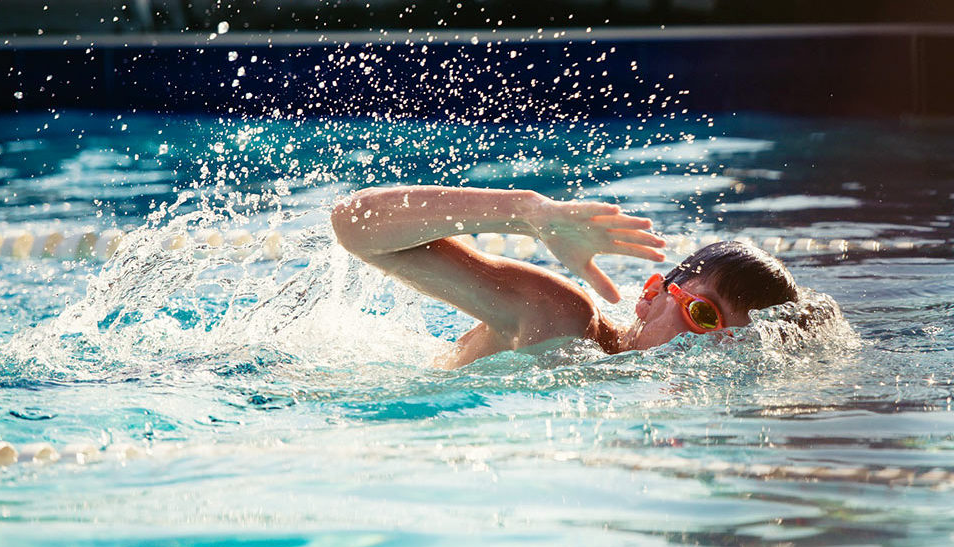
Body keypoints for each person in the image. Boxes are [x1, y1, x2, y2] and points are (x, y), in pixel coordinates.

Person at [331, 185, 799, 368]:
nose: (703, 350)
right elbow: (354, 225)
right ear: (651, 294)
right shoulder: (561, 318)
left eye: (732, 344)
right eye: (702, 314)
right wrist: (526, 213)